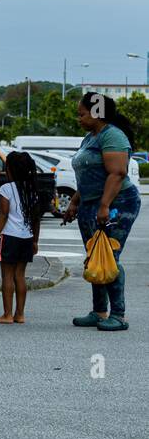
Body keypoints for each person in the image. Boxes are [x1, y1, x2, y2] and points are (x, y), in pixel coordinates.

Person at [65, 91, 140, 331]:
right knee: (95, 256)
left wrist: (105, 206)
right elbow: (86, 176)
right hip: (90, 204)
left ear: (96, 112)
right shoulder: (90, 137)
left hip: (117, 203)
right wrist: (75, 201)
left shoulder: (113, 136)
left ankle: (118, 315)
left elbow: (117, 173)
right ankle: (99, 311)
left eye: (82, 114)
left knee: (110, 256)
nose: (79, 118)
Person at [0, 151, 42, 324]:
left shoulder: (6, 188)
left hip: (10, 237)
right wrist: (35, 240)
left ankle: (7, 314)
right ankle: (20, 314)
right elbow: (36, 219)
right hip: (27, 237)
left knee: (7, 276)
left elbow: (3, 214)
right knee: (20, 275)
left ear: (10, 169)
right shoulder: (31, 190)